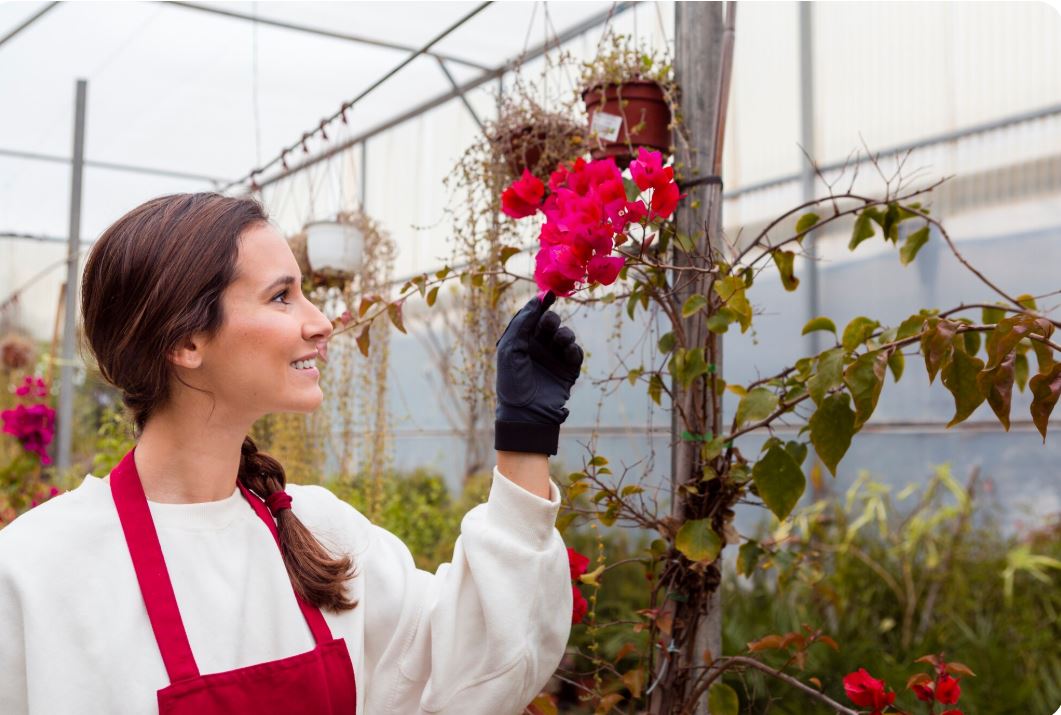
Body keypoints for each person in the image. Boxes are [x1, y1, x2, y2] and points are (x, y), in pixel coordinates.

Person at [0, 192, 585, 714]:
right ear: (185, 340)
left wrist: (524, 439)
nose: (321, 322)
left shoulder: (319, 533)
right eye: (282, 296)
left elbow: (473, 665)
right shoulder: (36, 571)